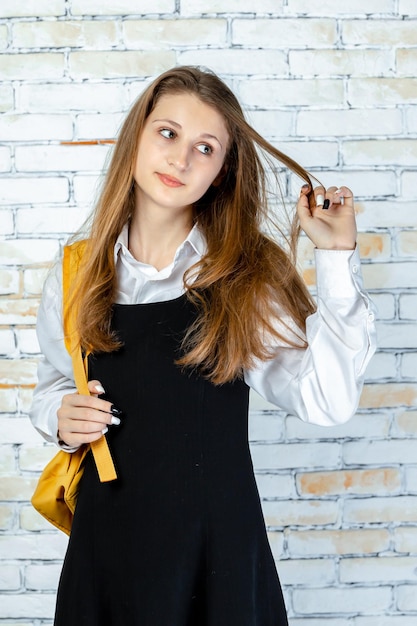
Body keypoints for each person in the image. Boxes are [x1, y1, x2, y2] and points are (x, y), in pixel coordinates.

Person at [30, 65, 376, 626]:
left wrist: (335, 259)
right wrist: (57, 415)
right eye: (168, 133)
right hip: (107, 553)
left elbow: (328, 401)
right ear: (137, 136)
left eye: (205, 147)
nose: (181, 159)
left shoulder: (244, 274)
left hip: (216, 559)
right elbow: (50, 384)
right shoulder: (77, 270)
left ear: (221, 171)